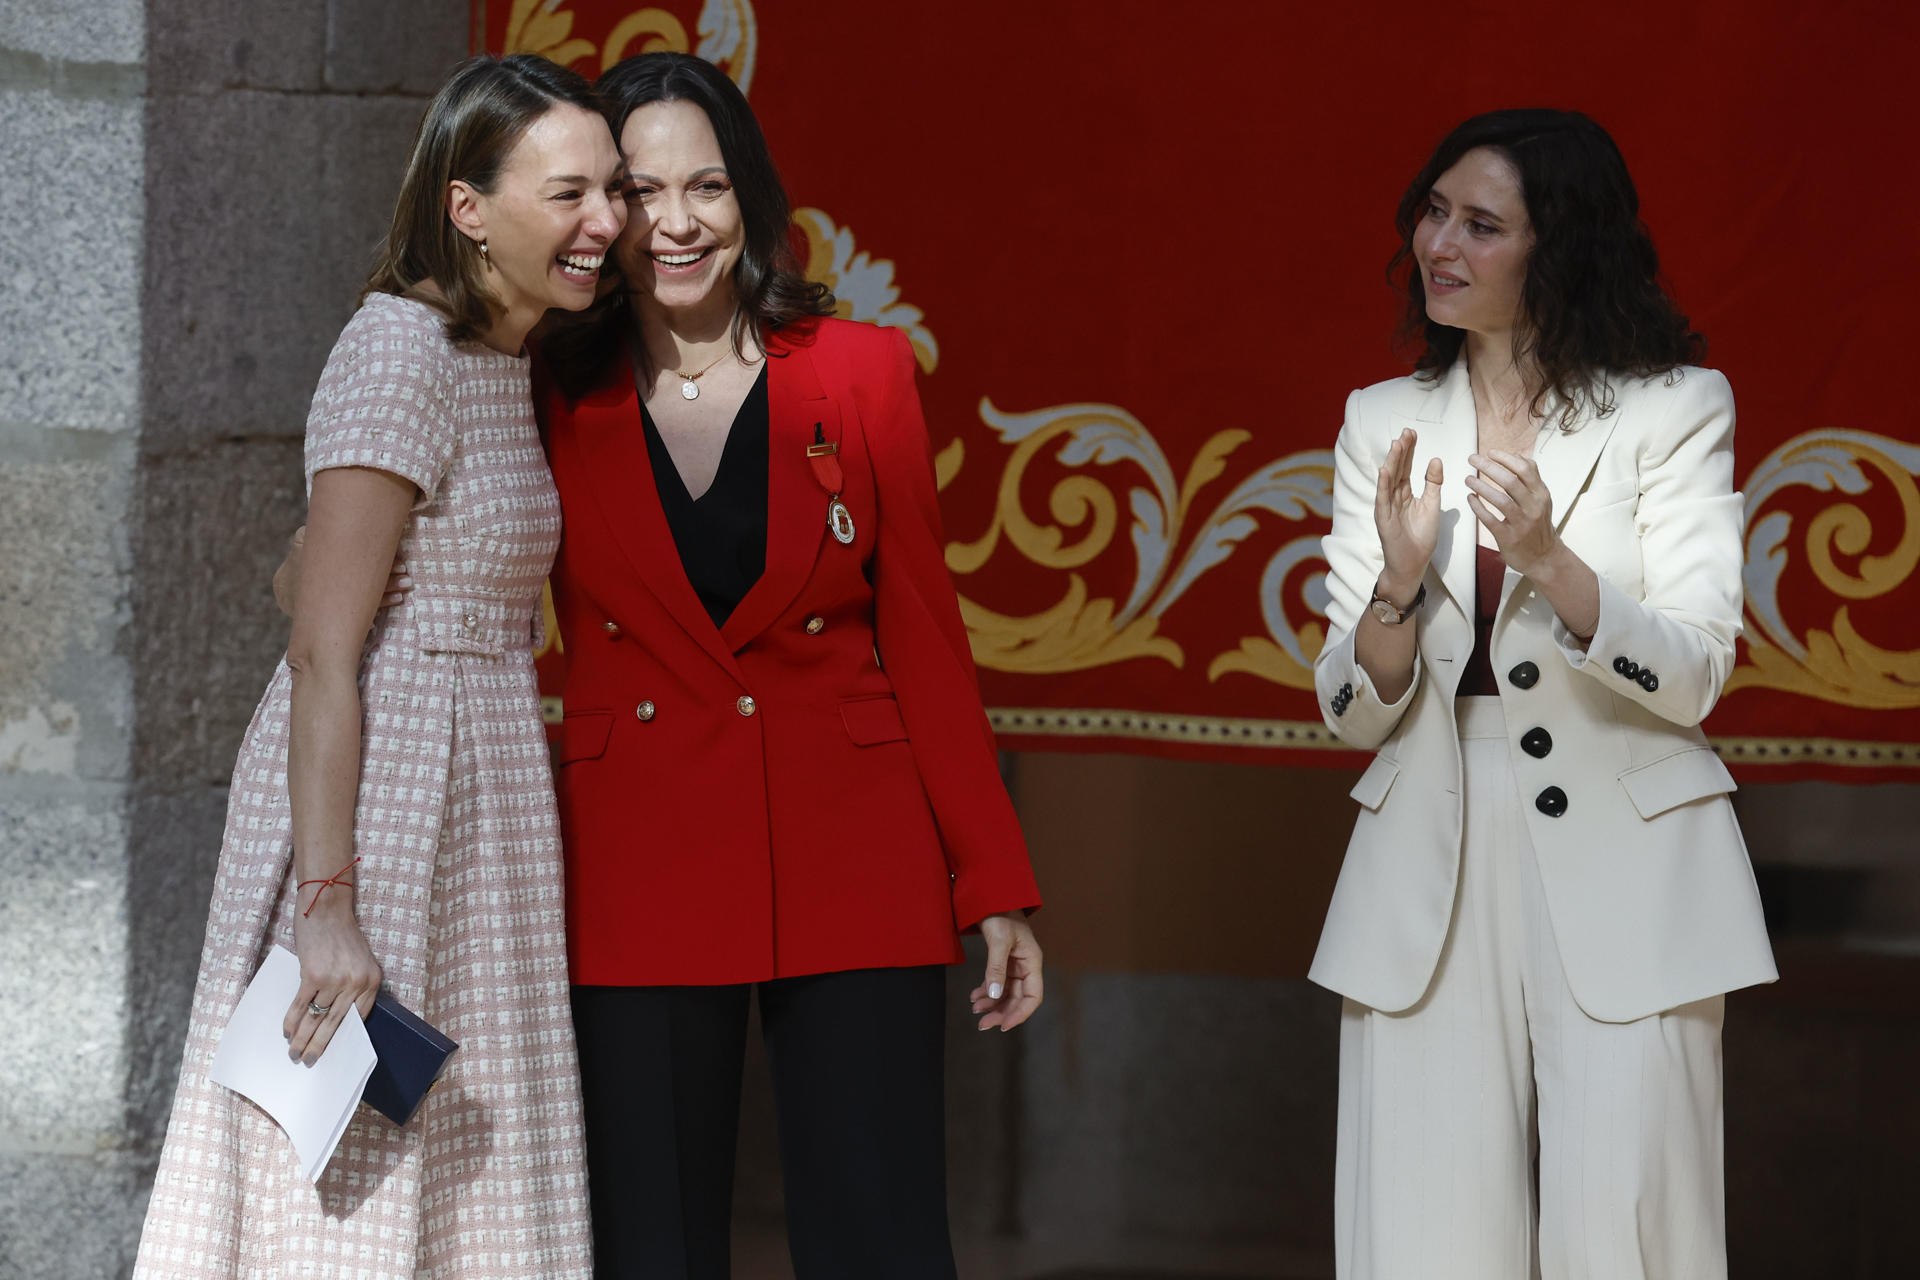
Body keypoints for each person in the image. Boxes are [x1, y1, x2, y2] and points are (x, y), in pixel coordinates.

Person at [280, 49, 1045, 1280]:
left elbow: (925, 638)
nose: (674, 223)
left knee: (882, 1232)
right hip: (633, 851)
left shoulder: (863, 373)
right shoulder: (531, 381)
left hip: (858, 847)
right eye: (638, 192)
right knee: (650, 1238)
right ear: (600, 213)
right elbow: (342, 566)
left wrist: (992, 880)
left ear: (751, 198)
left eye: (709, 187)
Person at [134, 54, 626, 1278]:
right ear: (468, 207)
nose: (606, 222)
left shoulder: (501, 355)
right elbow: (320, 647)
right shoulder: (401, 344)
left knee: (458, 1158)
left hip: (481, 788)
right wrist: (328, 901)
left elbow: (307, 575)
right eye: (569, 194)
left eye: (610, 190)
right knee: (348, 1164)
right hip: (392, 784)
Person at [1309, 109, 1776, 1280]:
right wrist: (1398, 587)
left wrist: (1554, 563)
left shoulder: (1675, 407)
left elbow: (1698, 670)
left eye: (1481, 223)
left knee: (1624, 1232)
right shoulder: (1383, 418)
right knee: (1420, 1238)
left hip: (1631, 863)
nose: (1440, 245)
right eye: (1433, 212)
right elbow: (1349, 706)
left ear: (1557, 246)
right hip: (1430, 853)